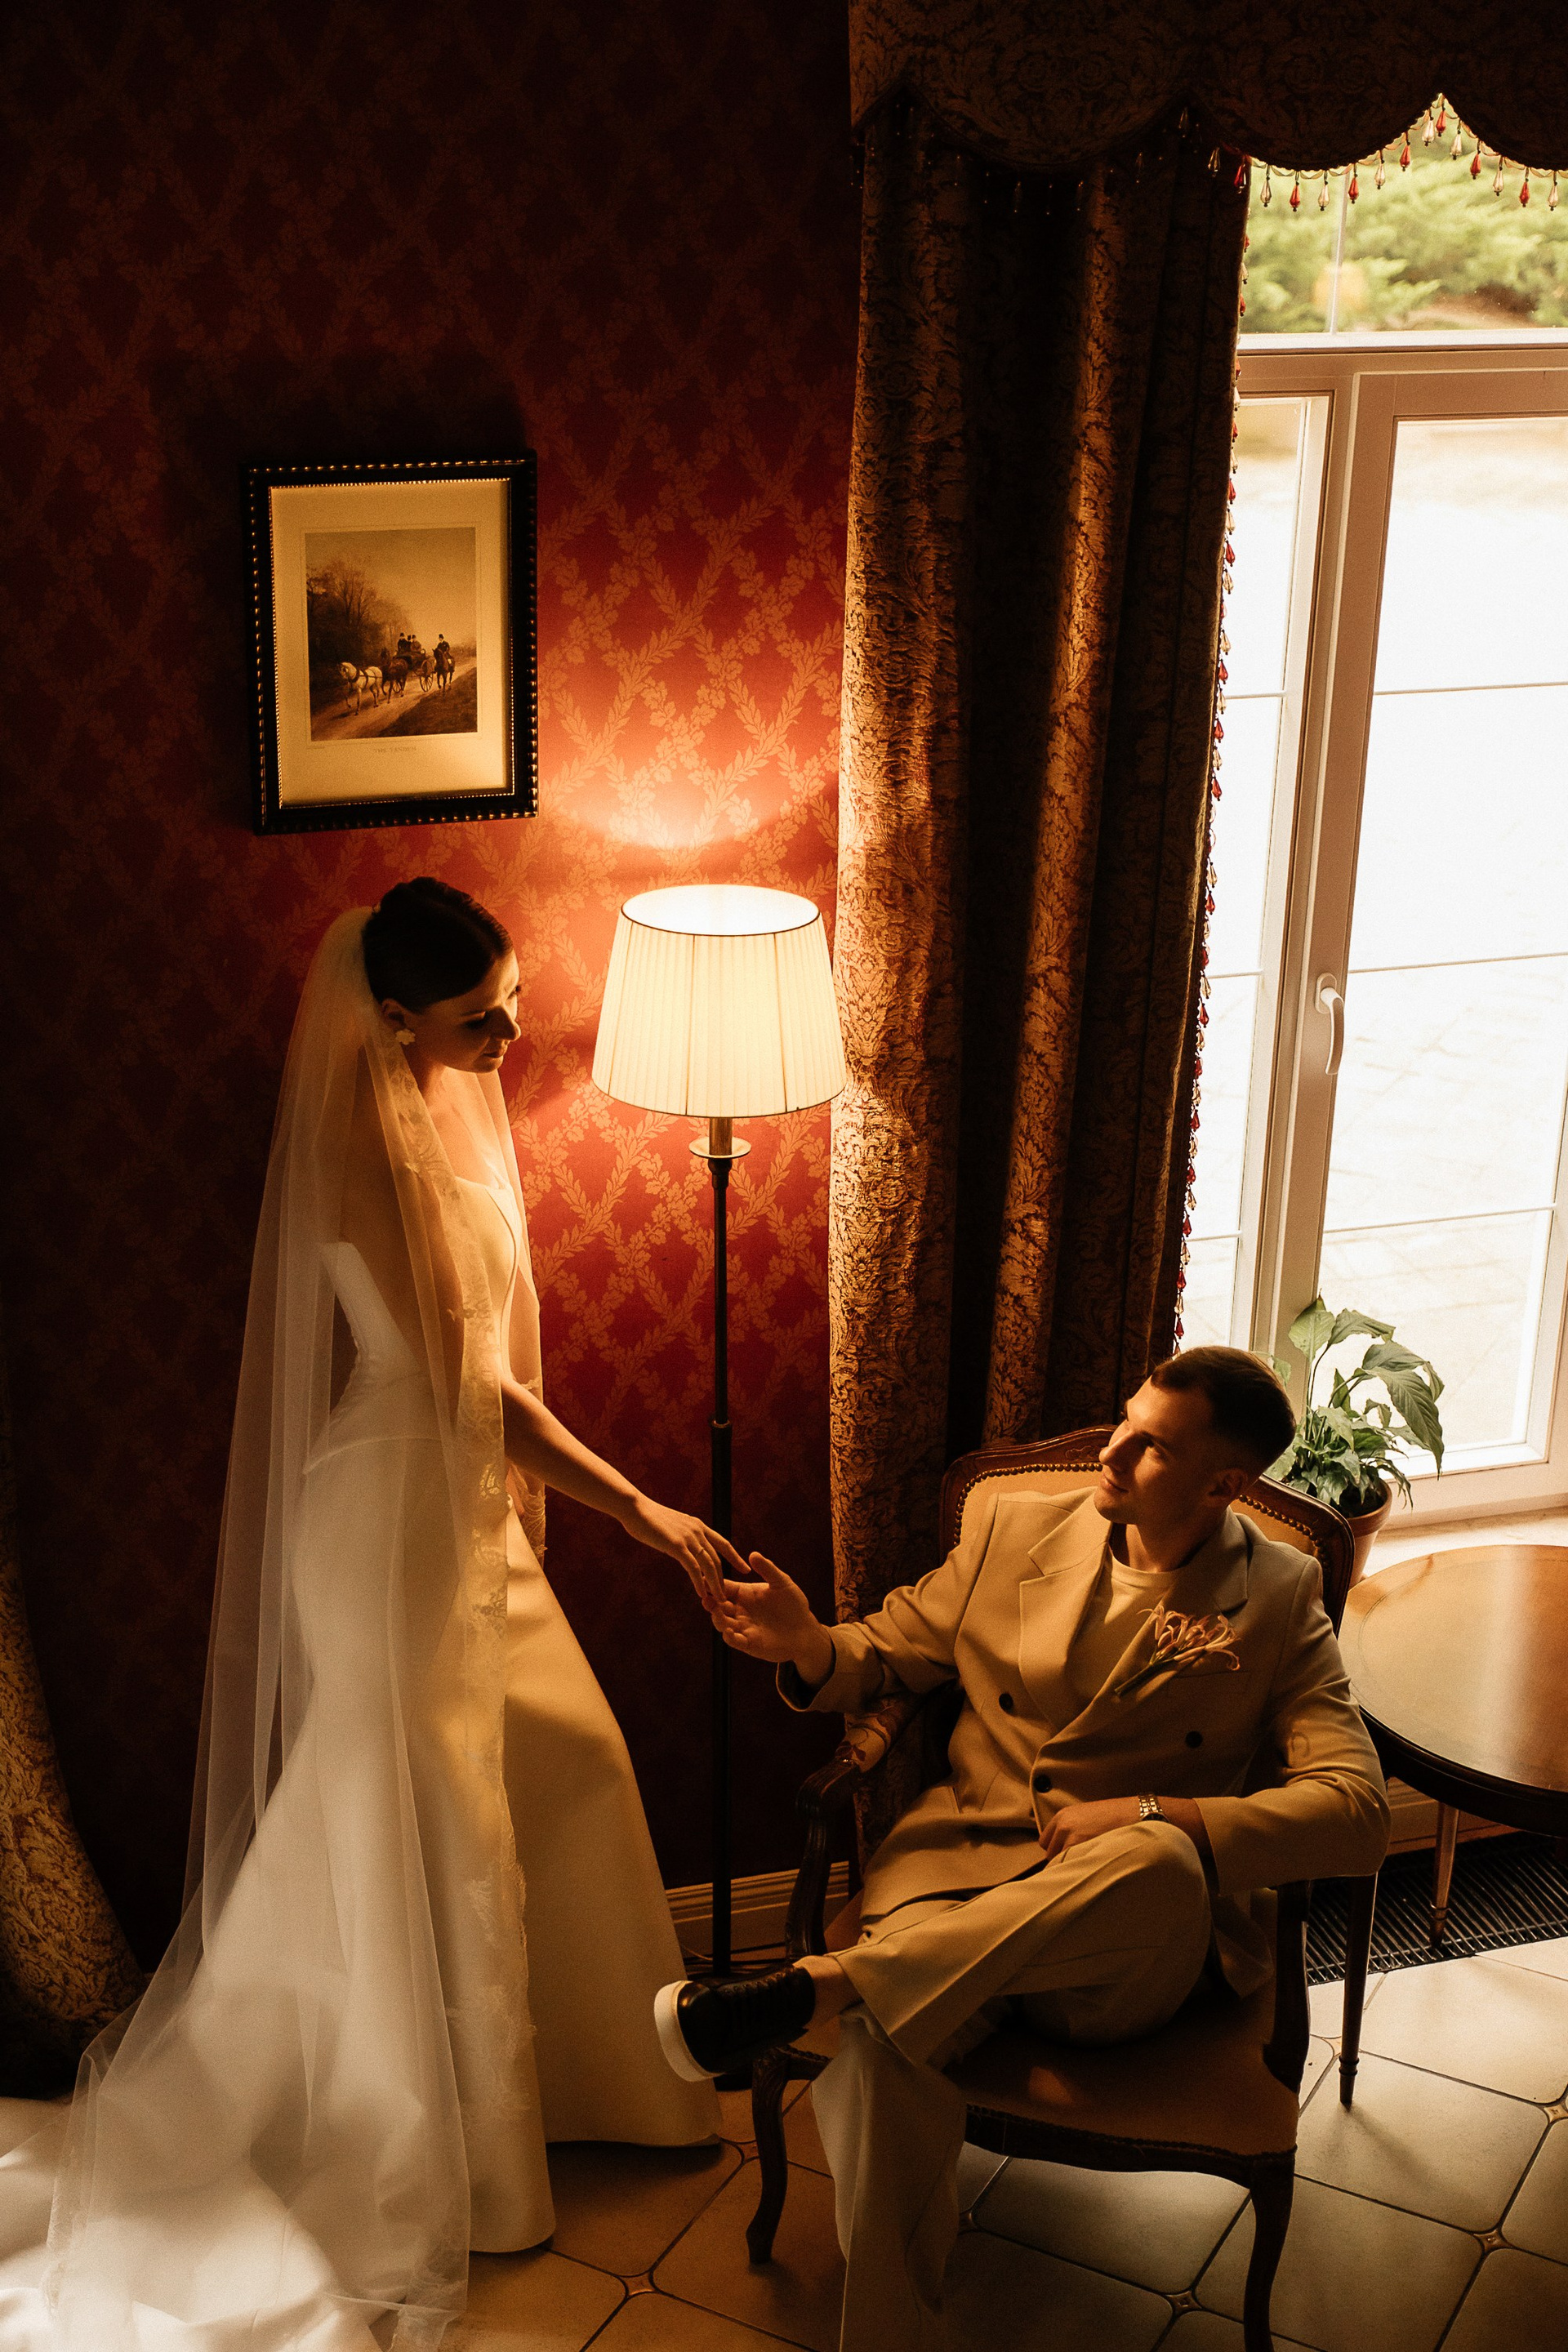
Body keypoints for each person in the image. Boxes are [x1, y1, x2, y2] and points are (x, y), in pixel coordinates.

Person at [7, 880, 733, 2351]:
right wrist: (642, 1511)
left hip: (451, 1505)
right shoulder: (354, 1149)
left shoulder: (448, 1105)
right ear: (394, 1020)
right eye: (480, 1021)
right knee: (424, 1820)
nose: (511, 1038)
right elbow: (473, 1388)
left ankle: (599, 2090)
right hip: (392, 1521)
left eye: (512, 1003)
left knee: (551, 1774)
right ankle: (455, 2154)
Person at [654, 1347, 1391, 2352]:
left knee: (1157, 1859)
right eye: (1124, 1419)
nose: (1111, 1452)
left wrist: (1154, 1812)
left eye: (1152, 1446)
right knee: (881, 2043)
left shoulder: (1278, 1595)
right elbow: (891, 1649)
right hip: (961, 1874)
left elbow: (1357, 1811)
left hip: (1119, 1953)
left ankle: (832, 1980)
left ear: (1223, 1486)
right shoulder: (1016, 1529)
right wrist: (807, 1644)